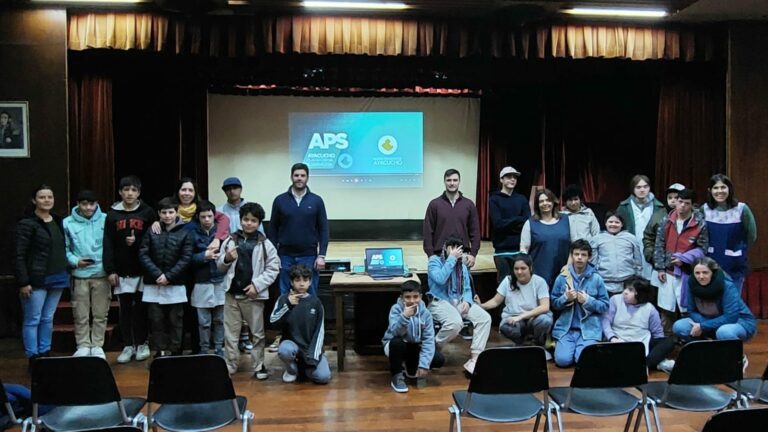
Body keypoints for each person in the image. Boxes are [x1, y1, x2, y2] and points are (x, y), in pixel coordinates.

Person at [218, 202, 280, 378]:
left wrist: (257, 285)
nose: (249, 223)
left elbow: (273, 269)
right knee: (230, 334)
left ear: (259, 223)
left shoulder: (265, 244)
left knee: (257, 334)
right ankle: (230, 365)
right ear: (240, 220)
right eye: (246, 219)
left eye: (253, 220)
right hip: (231, 294)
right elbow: (219, 266)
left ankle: (259, 366)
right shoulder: (230, 240)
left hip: (253, 296)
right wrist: (226, 259)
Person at [104, 175, 156, 363]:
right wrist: (110, 270)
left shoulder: (148, 212)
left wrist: (137, 241)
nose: (130, 193)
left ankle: (142, 343)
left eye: (134, 190)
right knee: (125, 310)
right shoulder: (112, 214)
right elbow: (108, 243)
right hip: (121, 271)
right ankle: (128, 345)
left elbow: (154, 239)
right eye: (126, 190)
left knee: (141, 309)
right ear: (120, 192)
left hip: (142, 270)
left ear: (139, 193)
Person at [15, 185, 68, 366]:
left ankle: (45, 352)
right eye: (42, 197)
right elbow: (19, 254)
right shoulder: (27, 223)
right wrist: (23, 281)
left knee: (48, 318)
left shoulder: (58, 221)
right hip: (36, 279)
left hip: (58, 275)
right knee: (33, 319)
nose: (46, 200)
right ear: (34, 200)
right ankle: (33, 356)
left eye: (49, 197)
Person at [427, 236, 491, 374]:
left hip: (459, 301)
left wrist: (467, 301)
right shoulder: (434, 261)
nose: (456, 252)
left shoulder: (462, 266)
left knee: (484, 318)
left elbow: (467, 288)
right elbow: (440, 279)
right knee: (455, 323)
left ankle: (475, 358)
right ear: (446, 248)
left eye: (459, 249)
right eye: (453, 248)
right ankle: (432, 347)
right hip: (440, 301)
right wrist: (451, 259)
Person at [139, 197, 194, 357]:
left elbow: (186, 258)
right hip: (154, 283)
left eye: (171, 212)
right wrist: (157, 274)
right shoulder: (152, 230)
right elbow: (143, 253)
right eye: (164, 212)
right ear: (159, 213)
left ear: (176, 213)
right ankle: (160, 351)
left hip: (175, 283)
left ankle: (175, 352)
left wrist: (169, 276)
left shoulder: (185, 232)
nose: (168, 216)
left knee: (175, 320)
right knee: (156, 320)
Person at [653, 189, 709, 335]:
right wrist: (660, 268)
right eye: (680, 201)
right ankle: (666, 341)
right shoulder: (666, 221)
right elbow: (659, 245)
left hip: (688, 272)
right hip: (667, 271)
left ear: (692, 205)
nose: (682, 205)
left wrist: (685, 259)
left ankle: (688, 340)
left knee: (687, 309)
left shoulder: (700, 223)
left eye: (687, 203)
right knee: (666, 310)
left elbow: (703, 248)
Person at [268, 163, 329, 297]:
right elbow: (273, 230)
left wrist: (322, 255)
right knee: (284, 294)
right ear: (291, 177)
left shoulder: (317, 201)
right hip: (284, 256)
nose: (299, 178)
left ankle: (309, 312)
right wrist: (273, 255)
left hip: (309, 256)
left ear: (307, 178)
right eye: (296, 175)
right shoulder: (280, 200)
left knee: (310, 294)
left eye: (302, 175)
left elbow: (324, 229)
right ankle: (286, 313)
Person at [63, 189, 110, 359]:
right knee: (80, 314)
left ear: (97, 204)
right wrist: (75, 261)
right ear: (78, 204)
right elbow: (65, 248)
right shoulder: (67, 222)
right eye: (84, 204)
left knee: (100, 313)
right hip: (79, 275)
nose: (88, 207)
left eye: (92, 204)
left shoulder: (106, 219)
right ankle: (83, 345)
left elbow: (111, 246)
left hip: (102, 274)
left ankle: (97, 345)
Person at [218, 176, 261, 353]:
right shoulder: (219, 211)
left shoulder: (251, 209)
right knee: (231, 311)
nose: (232, 191)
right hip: (230, 261)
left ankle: (246, 339)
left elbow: (261, 236)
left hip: (250, 263)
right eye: (228, 188)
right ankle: (230, 352)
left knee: (249, 310)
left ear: (241, 189)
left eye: (235, 187)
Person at [550, 240, 610, 368]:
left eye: (583, 255)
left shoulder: (597, 278)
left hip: (589, 330)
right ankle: (567, 347)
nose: (579, 258)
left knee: (583, 361)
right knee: (562, 361)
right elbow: (554, 303)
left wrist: (588, 300)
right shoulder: (562, 277)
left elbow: (605, 305)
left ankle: (580, 349)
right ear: (571, 256)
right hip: (566, 329)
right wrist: (565, 298)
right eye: (576, 254)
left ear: (589, 257)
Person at [269, 264, 331, 385]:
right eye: (297, 280)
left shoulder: (316, 302)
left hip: (309, 347)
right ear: (291, 282)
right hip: (292, 345)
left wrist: (312, 356)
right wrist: (288, 305)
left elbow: (320, 332)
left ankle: (303, 369)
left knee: (323, 377)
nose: (301, 284)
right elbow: (273, 322)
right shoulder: (283, 299)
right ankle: (292, 370)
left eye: (305, 280)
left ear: (310, 282)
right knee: (285, 350)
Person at [474, 254, 552, 348]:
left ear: (530, 268)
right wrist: (481, 306)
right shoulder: (508, 280)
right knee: (507, 327)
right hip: (514, 319)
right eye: (516, 269)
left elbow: (545, 307)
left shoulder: (539, 281)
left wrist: (521, 317)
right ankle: (519, 345)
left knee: (544, 321)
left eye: (523, 268)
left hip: (533, 318)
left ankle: (538, 344)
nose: (519, 272)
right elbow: (495, 301)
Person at [673, 257, 756, 344]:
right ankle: (705, 349)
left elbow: (731, 317)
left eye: (705, 272)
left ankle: (735, 352)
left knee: (724, 332)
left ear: (713, 272)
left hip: (737, 321)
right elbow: (691, 311)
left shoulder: (727, 286)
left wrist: (703, 325)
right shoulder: (691, 284)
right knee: (679, 326)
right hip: (706, 319)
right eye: (697, 273)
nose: (701, 276)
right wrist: (703, 325)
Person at [601, 276, 676, 373]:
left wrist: (658, 350)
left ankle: (644, 363)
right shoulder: (615, 300)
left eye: (630, 290)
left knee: (668, 342)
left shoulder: (650, 308)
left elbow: (658, 333)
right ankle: (656, 363)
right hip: (618, 340)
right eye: (625, 288)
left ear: (640, 293)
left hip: (642, 341)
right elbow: (606, 322)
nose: (625, 292)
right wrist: (612, 337)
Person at [382, 280, 444, 393]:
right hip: (396, 344)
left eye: (415, 297)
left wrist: (424, 365)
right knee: (397, 343)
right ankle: (397, 375)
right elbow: (396, 333)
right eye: (407, 297)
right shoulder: (395, 309)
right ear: (402, 298)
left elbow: (428, 340)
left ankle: (412, 367)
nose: (412, 301)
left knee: (438, 359)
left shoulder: (426, 314)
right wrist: (404, 317)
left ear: (420, 297)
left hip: (414, 345)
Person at [701, 174, 757, 292]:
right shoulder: (704, 209)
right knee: (712, 300)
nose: (719, 191)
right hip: (711, 264)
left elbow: (751, 235)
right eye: (716, 188)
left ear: (729, 189)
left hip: (734, 266)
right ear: (710, 190)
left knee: (732, 300)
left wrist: (740, 249)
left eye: (723, 187)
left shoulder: (742, 209)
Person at [186, 200, 226, 356]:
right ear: (198, 217)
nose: (207, 220)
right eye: (203, 217)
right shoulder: (192, 234)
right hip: (201, 281)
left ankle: (219, 348)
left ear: (214, 216)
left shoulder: (222, 233)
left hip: (220, 280)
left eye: (209, 216)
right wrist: (204, 256)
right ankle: (203, 349)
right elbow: (187, 258)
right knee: (203, 322)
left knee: (220, 320)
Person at [423, 168, 481, 268]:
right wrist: (430, 255)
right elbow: (428, 232)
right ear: (444, 182)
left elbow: (475, 232)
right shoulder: (434, 204)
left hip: (463, 255)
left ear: (459, 182)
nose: (452, 183)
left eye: (455, 180)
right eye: (449, 180)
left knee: (462, 279)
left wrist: (473, 254)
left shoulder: (469, 205)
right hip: (439, 256)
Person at [615, 174, 667, 280]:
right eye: (638, 187)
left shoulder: (659, 207)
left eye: (645, 186)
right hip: (630, 248)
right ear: (633, 189)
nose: (642, 190)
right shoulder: (624, 207)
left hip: (651, 247)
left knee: (651, 279)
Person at [520, 188, 571, 289]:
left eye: (548, 200)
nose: (545, 203)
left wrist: (568, 266)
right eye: (541, 201)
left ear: (553, 202)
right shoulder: (530, 223)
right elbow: (523, 250)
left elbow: (574, 246)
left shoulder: (566, 219)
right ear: (537, 205)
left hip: (564, 273)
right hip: (538, 275)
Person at [489, 166, 531, 281]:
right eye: (508, 177)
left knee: (520, 282)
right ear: (501, 179)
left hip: (519, 249)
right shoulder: (494, 199)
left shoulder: (522, 199)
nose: (512, 179)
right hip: (501, 251)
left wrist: (507, 223)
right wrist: (518, 219)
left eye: (514, 177)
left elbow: (527, 223)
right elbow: (498, 225)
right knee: (504, 283)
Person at [589, 212, 643, 295]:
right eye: (610, 222)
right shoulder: (597, 239)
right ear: (605, 223)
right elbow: (593, 261)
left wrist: (637, 277)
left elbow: (638, 260)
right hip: (604, 282)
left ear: (622, 224)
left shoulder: (631, 238)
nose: (613, 224)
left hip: (627, 282)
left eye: (617, 222)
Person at [643, 183, 685, 276]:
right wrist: (653, 256)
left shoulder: (692, 216)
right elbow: (648, 237)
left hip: (684, 266)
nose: (673, 200)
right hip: (660, 266)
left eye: (676, 197)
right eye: (670, 197)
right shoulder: (658, 215)